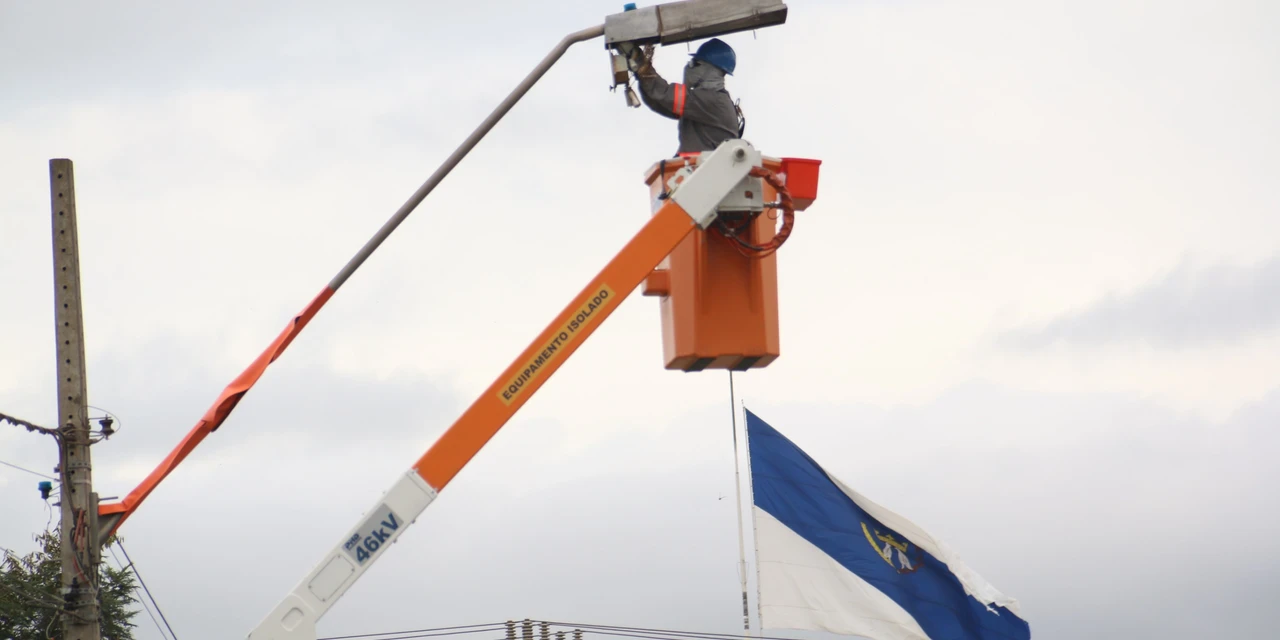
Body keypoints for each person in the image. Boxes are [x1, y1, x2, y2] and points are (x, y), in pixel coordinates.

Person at [632, 38, 745, 155]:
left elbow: (665, 94)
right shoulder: (706, 102)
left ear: (711, 70)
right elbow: (660, 102)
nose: (689, 67)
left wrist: (639, 61)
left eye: (695, 63)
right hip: (702, 169)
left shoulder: (714, 100)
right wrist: (640, 72)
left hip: (704, 169)